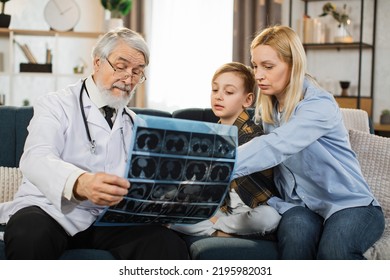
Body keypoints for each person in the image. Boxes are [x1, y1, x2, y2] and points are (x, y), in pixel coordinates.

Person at [0, 27, 188, 260]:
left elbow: (146, 180)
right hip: (49, 210)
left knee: (165, 244)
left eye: (137, 72)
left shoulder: (136, 124)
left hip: (106, 219)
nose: (128, 78)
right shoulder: (55, 105)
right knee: (29, 233)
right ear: (97, 63)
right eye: (121, 67)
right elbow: (36, 158)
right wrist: (80, 182)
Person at [232, 25, 385, 259]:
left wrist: (219, 164)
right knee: (295, 239)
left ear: (293, 66)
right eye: (255, 65)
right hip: (300, 206)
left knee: (333, 252)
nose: (258, 75)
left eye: (268, 66)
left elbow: (276, 145)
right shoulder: (268, 109)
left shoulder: (318, 105)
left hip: (351, 205)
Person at [170, 62, 281, 237]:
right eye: (215, 90)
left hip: (250, 211)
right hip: (221, 210)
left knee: (269, 217)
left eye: (228, 92)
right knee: (167, 210)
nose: (219, 96)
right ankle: (224, 232)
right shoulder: (209, 135)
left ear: (247, 100)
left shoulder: (255, 137)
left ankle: (217, 229)